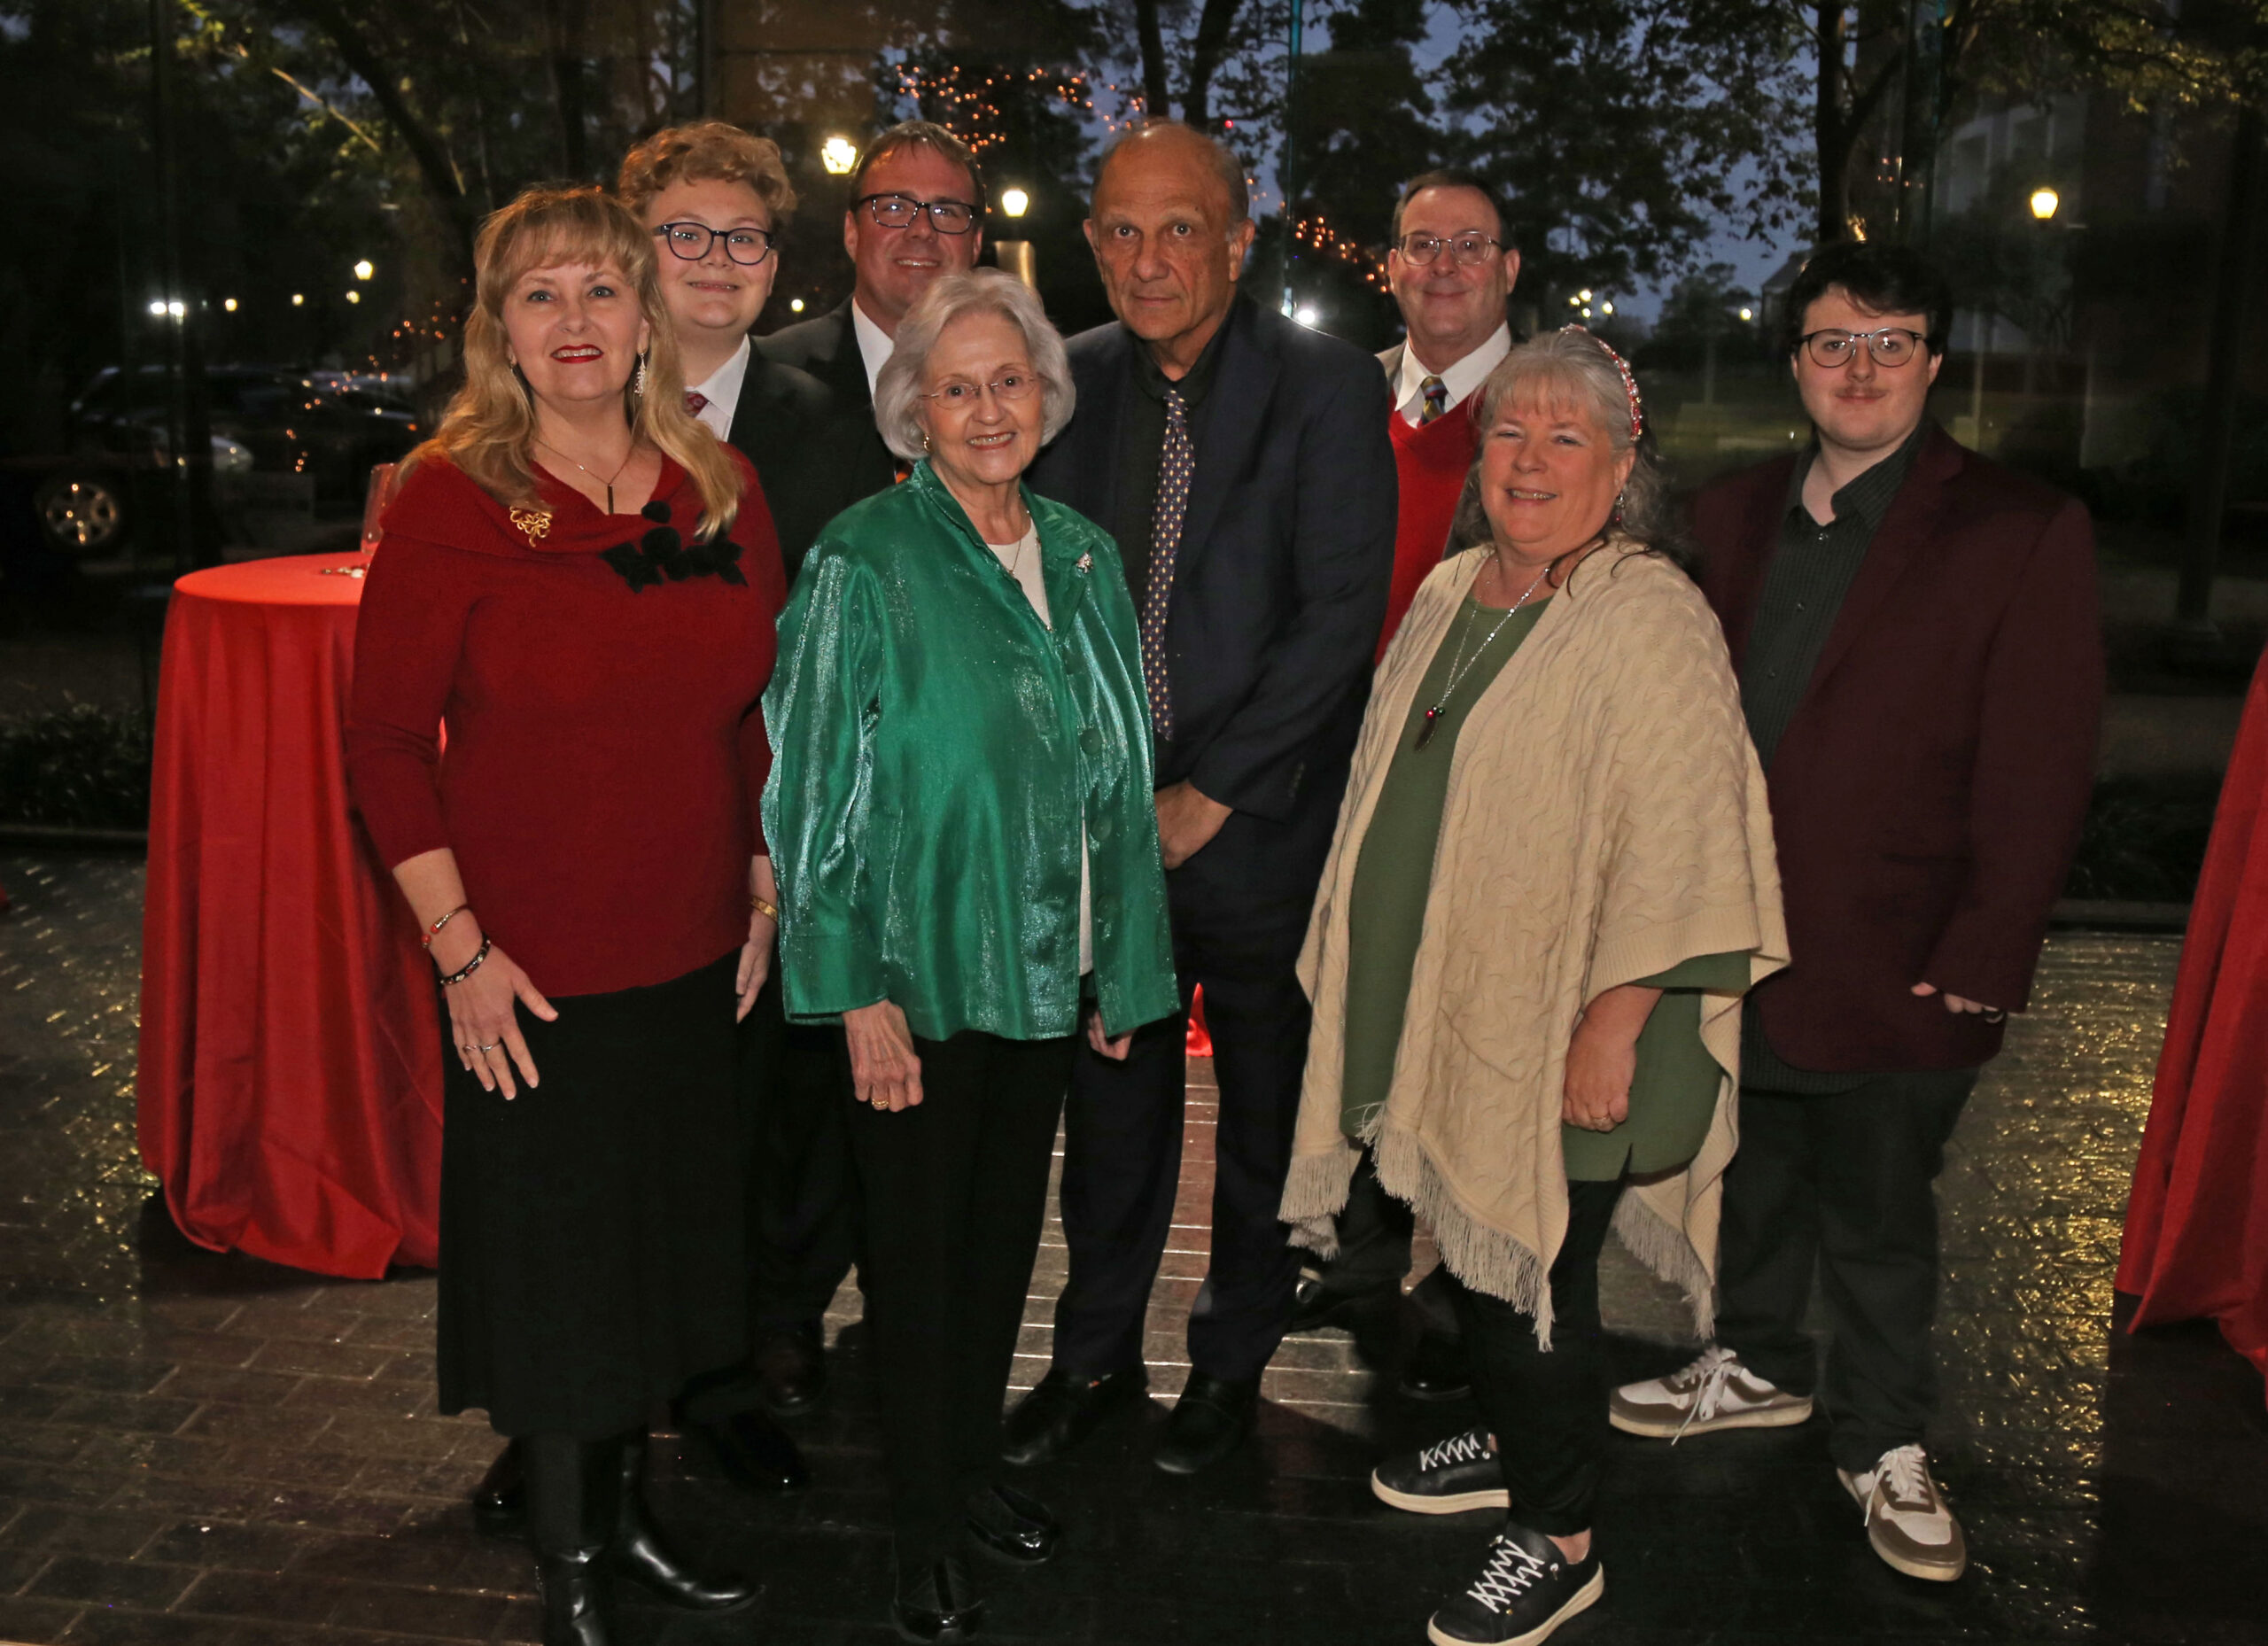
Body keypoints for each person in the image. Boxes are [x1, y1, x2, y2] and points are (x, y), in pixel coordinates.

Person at [1280, 329, 1787, 1646]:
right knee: (1481, 1247)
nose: (1531, 459)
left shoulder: (1645, 616)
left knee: (1531, 1274)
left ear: (1624, 471)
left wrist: (1613, 1018)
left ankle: (1561, 1535)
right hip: (1458, 1001)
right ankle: (1518, 1447)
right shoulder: (1454, 590)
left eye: (1570, 437)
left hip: (1588, 1024)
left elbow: (1690, 840)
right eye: (1510, 431)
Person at [1609, 241, 2103, 1584]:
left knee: (1880, 1215)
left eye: (1892, 342)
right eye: (1834, 341)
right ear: (1796, 363)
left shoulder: (2019, 526)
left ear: (1936, 363)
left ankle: (1884, 1436)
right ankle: (1761, 1360)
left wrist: (1990, 948)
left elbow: (2044, 761)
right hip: (1745, 938)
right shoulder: (1728, 514)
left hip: (1907, 951)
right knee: (1759, 1174)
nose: (1861, 366)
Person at [345, 185, 786, 1646]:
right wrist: (459, 948)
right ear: (502, 330)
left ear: (646, 313)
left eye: (604, 288)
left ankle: (632, 1521)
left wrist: (763, 886)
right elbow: (385, 748)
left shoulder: (713, 486)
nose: (579, 320)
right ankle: (570, 1565)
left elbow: (749, 713)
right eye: (544, 295)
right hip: (527, 965)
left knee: (661, 1258)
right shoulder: (450, 499)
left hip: (689, 949)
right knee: (561, 1279)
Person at [764, 268, 1178, 1642]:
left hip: (1046, 975)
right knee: (918, 1266)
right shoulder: (863, 559)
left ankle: (971, 1467)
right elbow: (808, 789)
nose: (989, 407)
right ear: (914, 414)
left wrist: (1123, 970)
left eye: (1010, 382)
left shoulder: (1082, 554)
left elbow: (1122, 783)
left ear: (1045, 399)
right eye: (959, 387)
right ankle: (922, 1526)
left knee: (1004, 1249)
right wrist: (853, 991)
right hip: (919, 978)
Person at [1007, 120, 1397, 1477]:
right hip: (1107, 832)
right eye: (1119, 228)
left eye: (1180, 227)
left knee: (1264, 1116)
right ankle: (1093, 1360)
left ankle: (1229, 1366)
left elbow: (1341, 613)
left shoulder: (1330, 387)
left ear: (1240, 238)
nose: (1147, 256)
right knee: (1109, 1115)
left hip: (1265, 831)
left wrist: (1214, 792)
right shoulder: (1069, 383)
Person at [616, 118, 870, 1469]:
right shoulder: (570, 395)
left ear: (776, 261)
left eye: (747, 237)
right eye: (686, 233)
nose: (719, 260)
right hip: (602, 835)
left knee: (749, 1121)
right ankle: (576, 1404)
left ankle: (722, 1374)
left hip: (769, 828)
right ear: (636, 250)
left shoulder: (833, 430)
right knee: (604, 1128)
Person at [1286, 167, 1522, 1401]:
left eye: (1468, 246)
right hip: (1336, 761)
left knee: (1464, 1023)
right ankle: (1365, 1257)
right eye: (1420, 246)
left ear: (1509, 270)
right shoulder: (1343, 396)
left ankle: (1471, 1276)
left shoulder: (1554, 407)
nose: (1442, 268)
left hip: (1474, 778)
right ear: (1389, 266)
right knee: (1358, 1011)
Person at [758, 120, 988, 491]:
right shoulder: (765, 374)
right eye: (895, 207)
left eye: (947, 212)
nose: (922, 230)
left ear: (976, 243)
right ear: (852, 233)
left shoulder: (1016, 391)